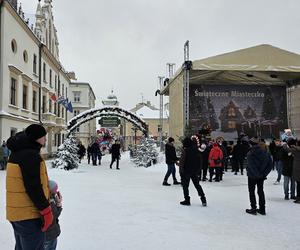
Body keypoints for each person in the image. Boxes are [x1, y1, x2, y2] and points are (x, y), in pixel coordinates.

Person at [6, 124, 53, 249]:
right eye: (44, 136)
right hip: (29, 215)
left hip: (18, 212)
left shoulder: (19, 152)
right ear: (37, 138)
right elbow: (33, 187)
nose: (46, 139)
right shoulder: (30, 155)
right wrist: (46, 210)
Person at [245, 137, 272, 215]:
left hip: (252, 176)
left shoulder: (250, 153)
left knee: (252, 191)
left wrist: (258, 174)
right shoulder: (265, 152)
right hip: (261, 176)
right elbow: (270, 165)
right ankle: (262, 209)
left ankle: (253, 208)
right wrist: (263, 174)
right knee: (260, 192)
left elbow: (251, 166)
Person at [178, 137, 207, 206]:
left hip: (186, 171)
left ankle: (187, 200)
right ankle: (203, 199)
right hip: (194, 171)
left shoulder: (185, 150)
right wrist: (198, 170)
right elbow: (200, 160)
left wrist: (181, 171)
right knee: (197, 185)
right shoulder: (196, 150)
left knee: (185, 186)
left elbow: (182, 162)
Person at [44, 180, 63, 250]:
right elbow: (54, 215)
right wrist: (59, 205)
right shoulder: (50, 202)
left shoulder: (46, 197)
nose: (56, 191)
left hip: (46, 233)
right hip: (50, 234)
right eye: (55, 189)